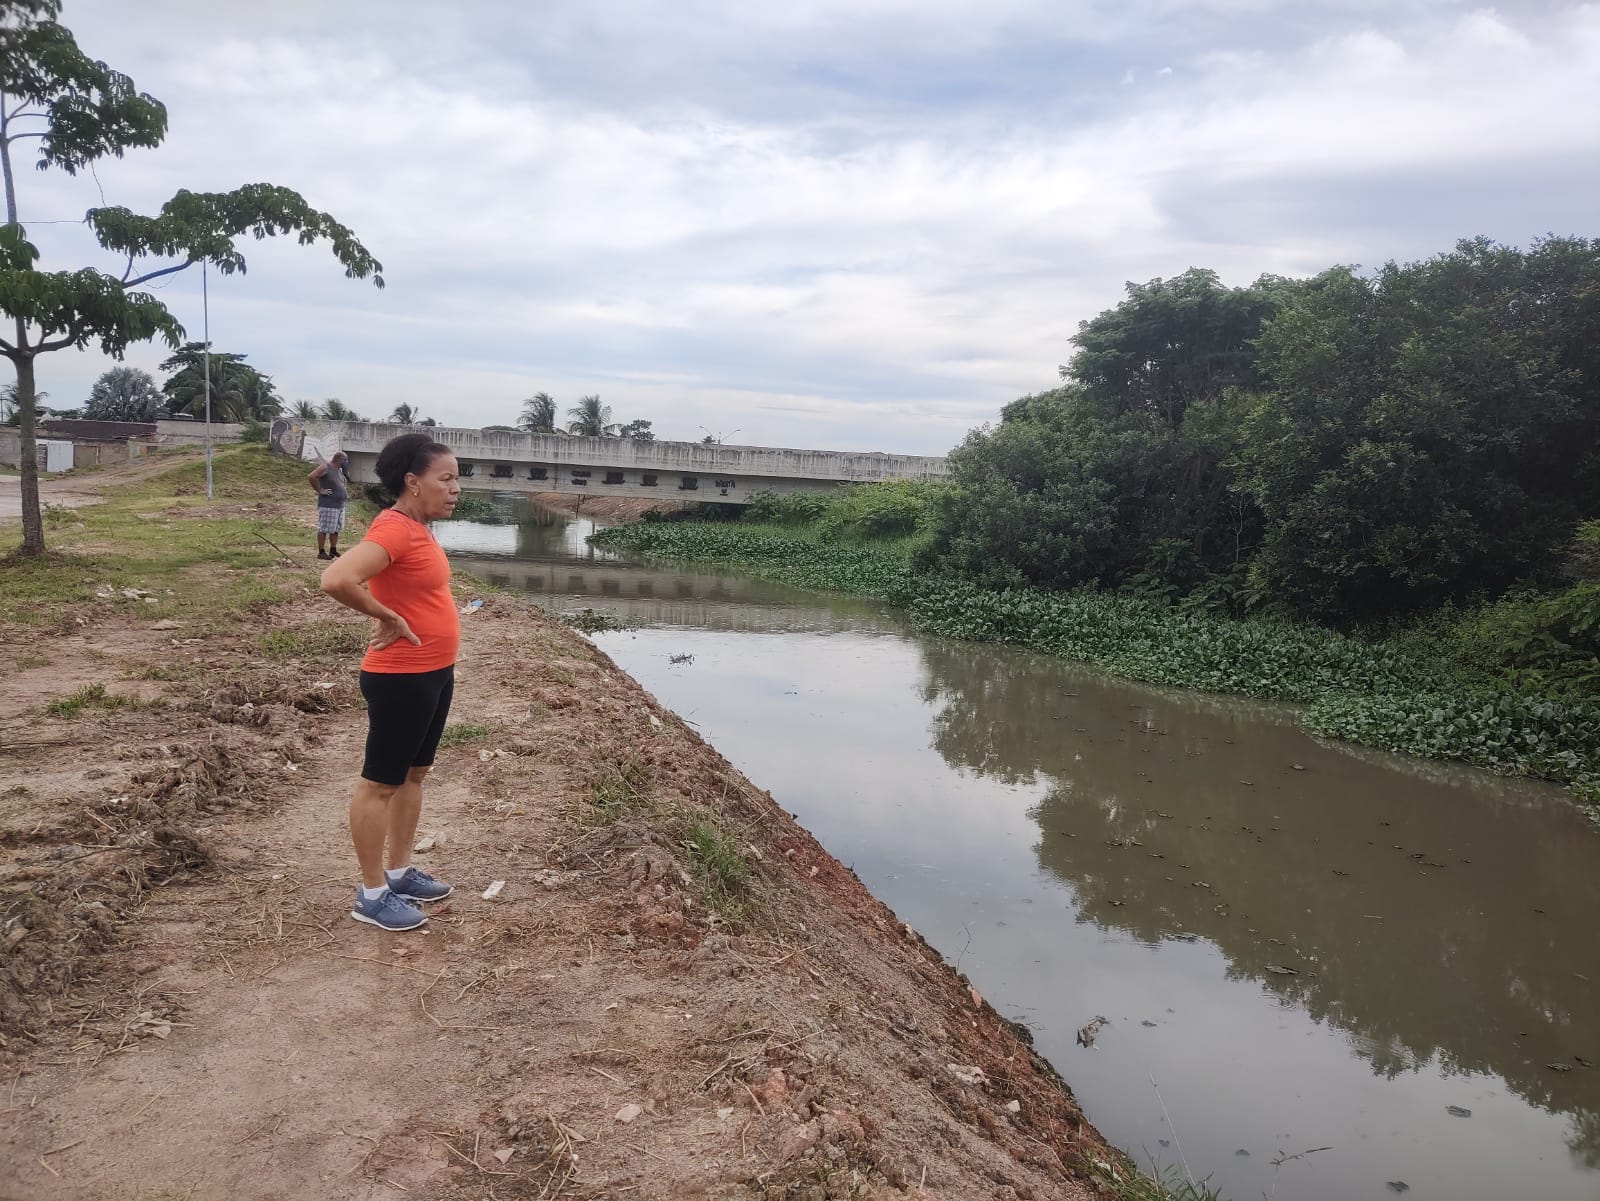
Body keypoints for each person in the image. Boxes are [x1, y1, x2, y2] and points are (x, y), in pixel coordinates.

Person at [319, 434, 462, 931]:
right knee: (380, 783)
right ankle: (373, 893)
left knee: (413, 775)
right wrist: (386, 616)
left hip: (433, 673)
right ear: (412, 482)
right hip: (401, 677)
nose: (455, 489)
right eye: (445, 479)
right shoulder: (396, 529)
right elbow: (337, 579)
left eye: (456, 479)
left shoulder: (419, 529)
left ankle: (399, 873)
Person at [309, 450, 350, 560]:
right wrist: (319, 490)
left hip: (339, 505)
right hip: (328, 505)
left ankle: (333, 550)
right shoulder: (326, 467)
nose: (346, 463)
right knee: (325, 528)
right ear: (339, 459)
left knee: (336, 529)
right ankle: (321, 552)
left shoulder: (339, 471)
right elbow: (311, 476)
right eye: (345, 460)